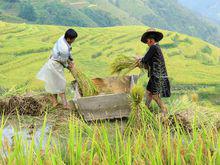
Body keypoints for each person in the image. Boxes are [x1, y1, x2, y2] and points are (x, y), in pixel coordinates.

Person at [37, 29, 78, 109]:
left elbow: (68, 54)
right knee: (61, 83)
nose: (74, 41)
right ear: (69, 38)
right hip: (55, 65)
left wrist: (71, 60)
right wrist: (69, 66)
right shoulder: (64, 49)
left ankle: (55, 103)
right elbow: (63, 60)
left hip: (53, 62)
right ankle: (65, 105)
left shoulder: (63, 38)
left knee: (54, 83)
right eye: (73, 39)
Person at [137, 28, 171, 114]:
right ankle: (145, 109)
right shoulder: (156, 48)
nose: (147, 43)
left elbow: (144, 60)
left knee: (155, 95)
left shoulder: (153, 48)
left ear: (151, 40)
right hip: (155, 75)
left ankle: (164, 110)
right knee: (149, 92)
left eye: (147, 40)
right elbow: (148, 62)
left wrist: (139, 61)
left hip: (157, 75)